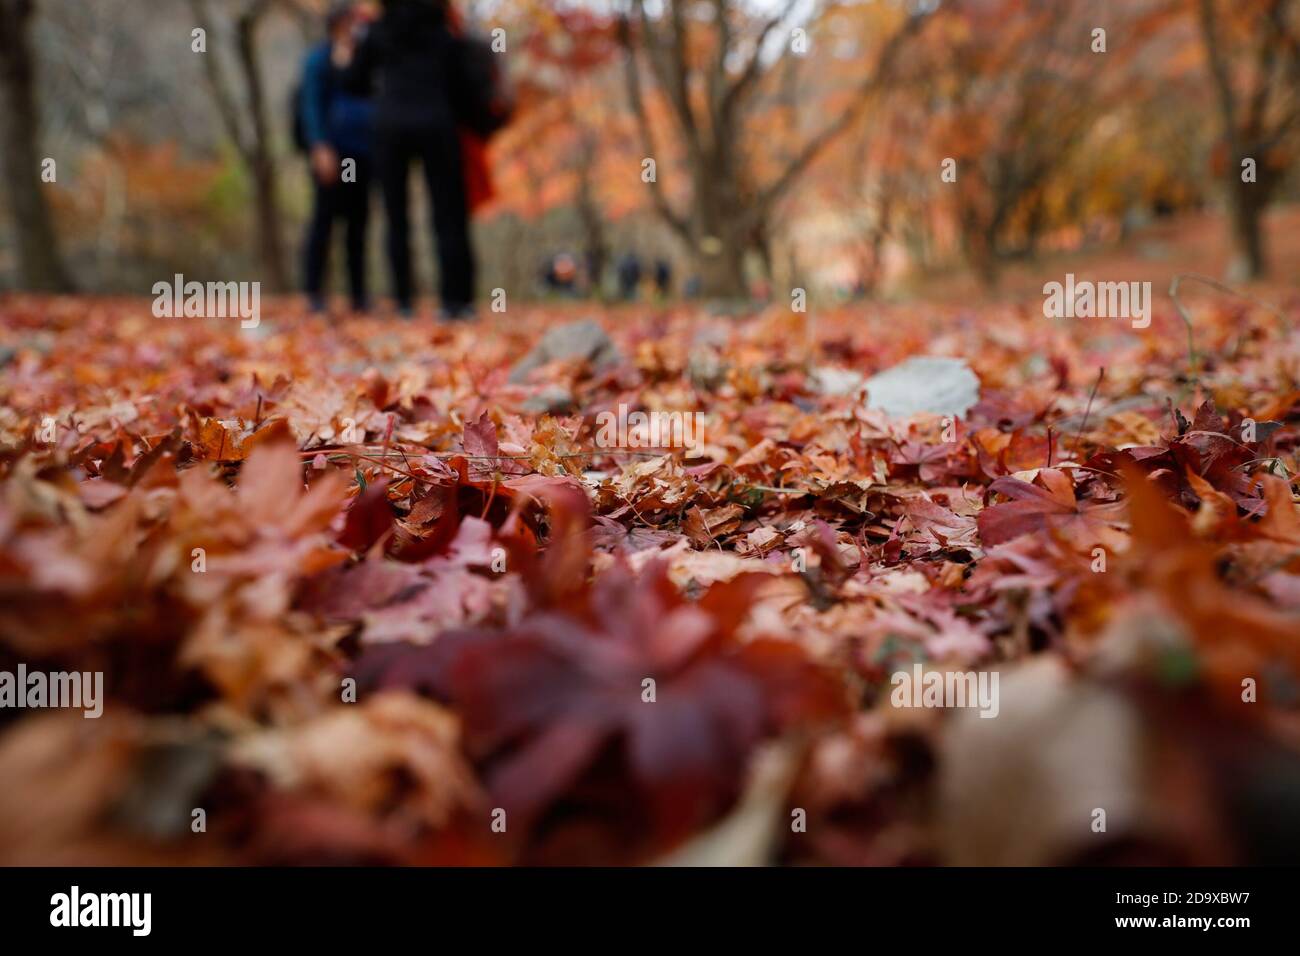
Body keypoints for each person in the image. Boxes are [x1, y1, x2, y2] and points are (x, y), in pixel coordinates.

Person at [347, 0, 476, 320]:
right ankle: (457, 302)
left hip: (391, 127)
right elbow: (463, 87)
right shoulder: (444, 32)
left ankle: (403, 300)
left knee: (396, 217)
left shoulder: (377, 31)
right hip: (438, 124)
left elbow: (353, 81)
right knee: (449, 216)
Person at [300, 3, 374, 315]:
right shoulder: (318, 60)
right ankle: (314, 292)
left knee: (357, 223)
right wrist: (319, 146)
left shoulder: (365, 60)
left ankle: (358, 295)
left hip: (360, 154)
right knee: (324, 221)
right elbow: (311, 104)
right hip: (333, 152)